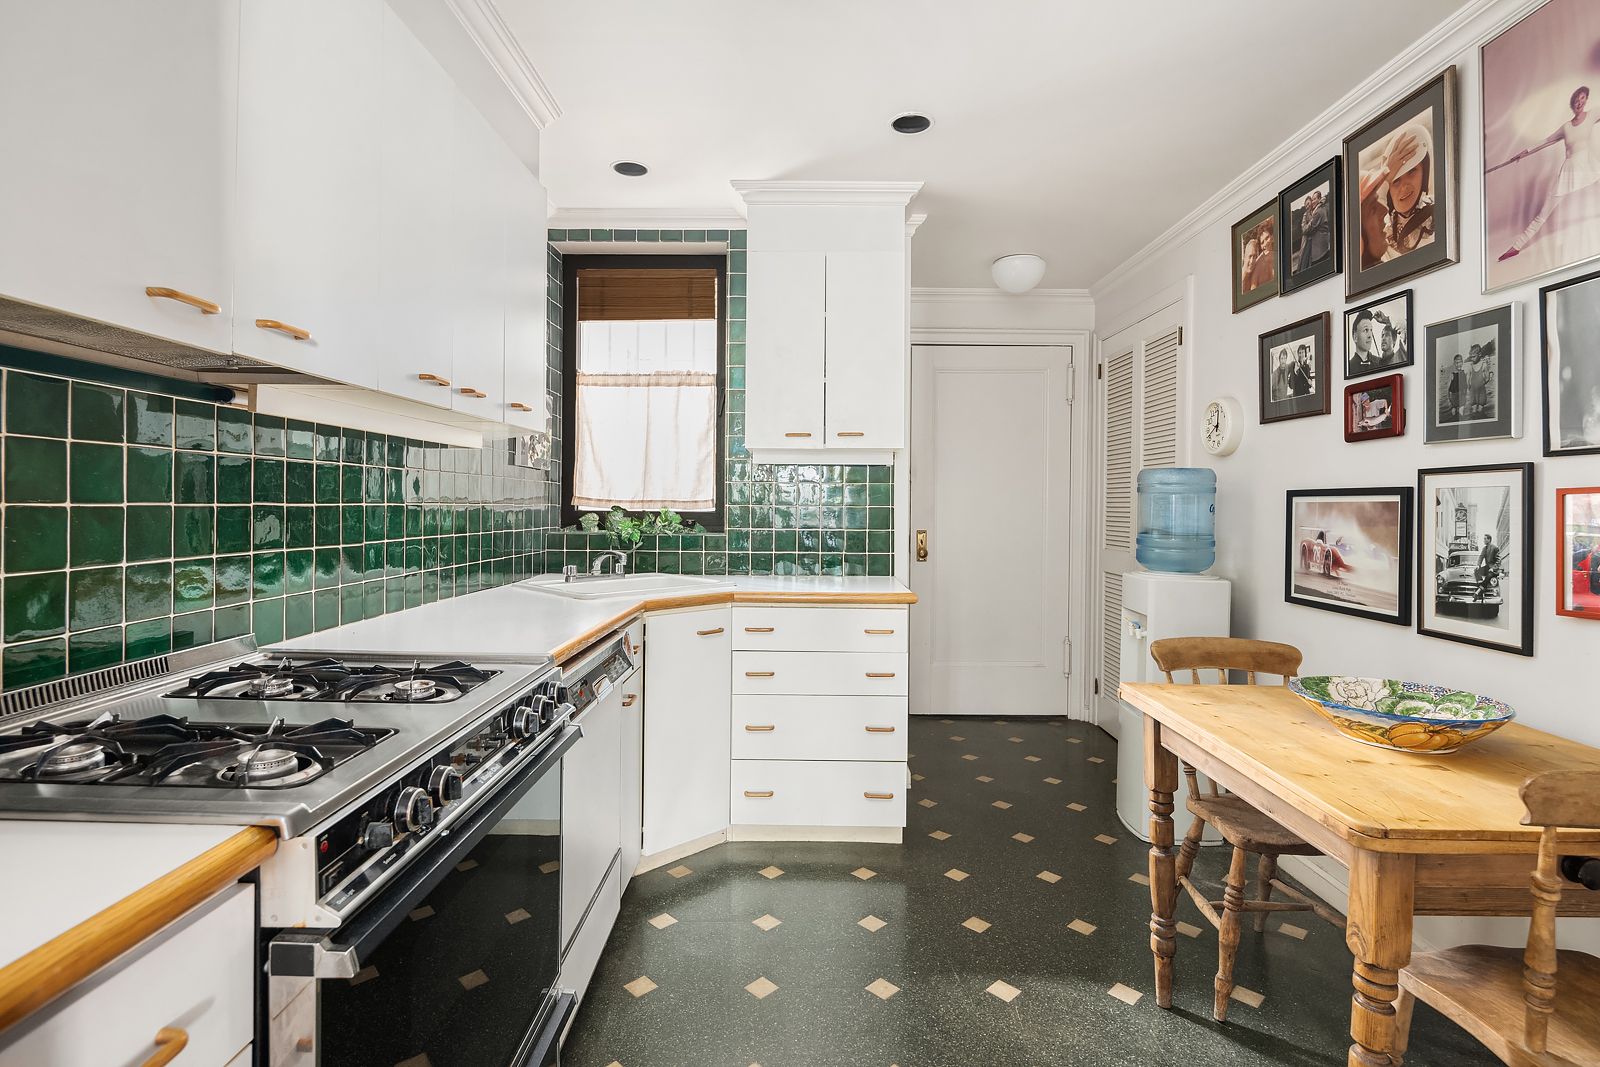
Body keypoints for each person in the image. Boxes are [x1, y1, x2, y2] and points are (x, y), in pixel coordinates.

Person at [1497, 85, 1600, 261]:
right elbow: (1546, 140)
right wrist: (1525, 152)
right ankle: (1516, 246)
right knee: (1544, 212)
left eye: (1582, 98)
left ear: (1586, 100)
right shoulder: (1566, 127)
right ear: (1572, 104)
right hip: (1569, 171)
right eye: (1576, 99)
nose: (1579, 102)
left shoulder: (1593, 114)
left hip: (1588, 166)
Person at [1380, 121, 1435, 256]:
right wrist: (1384, 179)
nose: (1404, 186)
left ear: (1424, 175)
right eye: (1396, 180)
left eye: (1412, 172)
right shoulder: (1382, 233)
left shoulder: (1440, 213)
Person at [1292, 189, 1331, 272]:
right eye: (1312, 200)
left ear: (1319, 199)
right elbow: (1304, 229)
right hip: (1313, 246)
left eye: (1314, 199)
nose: (1312, 202)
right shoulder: (1308, 213)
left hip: (1319, 248)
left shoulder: (1318, 212)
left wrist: (1305, 227)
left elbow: (1307, 229)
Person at [1245, 223, 1276, 292]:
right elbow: (1253, 290)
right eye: (1262, 242)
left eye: (1267, 238)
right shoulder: (1259, 264)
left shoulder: (1278, 253)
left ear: (1272, 236)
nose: (1265, 243)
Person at [1475, 533, 1502, 601]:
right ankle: (1481, 585)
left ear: (1489, 539)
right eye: (1484, 539)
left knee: (1489, 575)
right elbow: (1481, 557)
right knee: (1476, 571)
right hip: (1487, 568)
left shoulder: (1495, 548)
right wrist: (1478, 565)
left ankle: (1479, 590)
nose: (1483, 540)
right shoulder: (1484, 548)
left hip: (1493, 569)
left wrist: (1493, 568)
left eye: (1485, 539)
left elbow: (1499, 560)